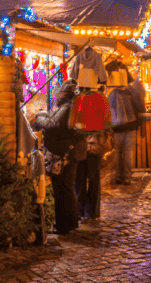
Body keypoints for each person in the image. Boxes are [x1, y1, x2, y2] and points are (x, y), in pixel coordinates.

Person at [36, 81, 84, 235]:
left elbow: (52, 124)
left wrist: (39, 116)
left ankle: (64, 225)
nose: (57, 95)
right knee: (66, 188)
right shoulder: (70, 106)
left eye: (60, 93)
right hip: (66, 152)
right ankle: (69, 222)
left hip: (64, 154)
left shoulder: (67, 107)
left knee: (63, 188)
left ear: (64, 94)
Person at [69, 69, 111, 221]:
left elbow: (72, 123)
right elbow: (108, 122)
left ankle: (79, 210)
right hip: (96, 144)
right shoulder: (103, 99)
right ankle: (92, 212)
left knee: (79, 178)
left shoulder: (78, 100)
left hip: (81, 144)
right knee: (94, 178)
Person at [107, 70, 142, 185]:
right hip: (131, 127)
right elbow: (139, 106)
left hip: (117, 128)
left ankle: (117, 176)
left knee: (117, 152)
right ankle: (126, 177)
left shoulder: (112, 94)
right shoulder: (131, 92)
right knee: (128, 153)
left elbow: (108, 111)